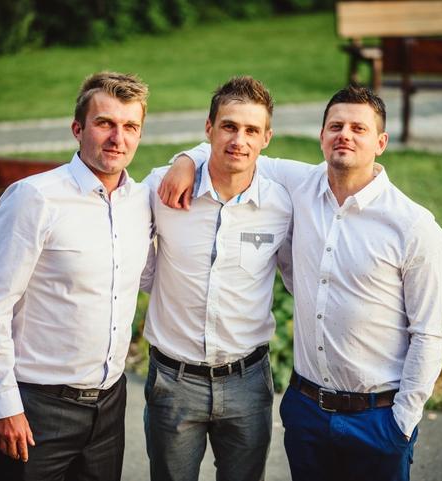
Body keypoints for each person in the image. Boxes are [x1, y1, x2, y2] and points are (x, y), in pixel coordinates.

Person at [160, 85, 442, 481]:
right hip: (307, 411)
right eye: (336, 126)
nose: (345, 135)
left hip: (377, 418)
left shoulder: (413, 226)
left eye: (359, 129)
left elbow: (428, 334)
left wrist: (403, 422)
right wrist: (186, 160)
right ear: (322, 135)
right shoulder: (300, 184)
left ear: (381, 143)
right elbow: (238, 149)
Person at [0, 71, 153, 481]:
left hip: (110, 408)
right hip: (38, 408)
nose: (118, 138)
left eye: (130, 127)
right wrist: (5, 407)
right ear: (77, 129)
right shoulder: (35, 199)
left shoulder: (141, 201)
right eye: (104, 123)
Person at [141, 76, 292, 481]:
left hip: (247, 381)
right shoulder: (161, 189)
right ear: (209, 129)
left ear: (267, 138)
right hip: (174, 381)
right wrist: (185, 160)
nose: (239, 140)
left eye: (251, 130)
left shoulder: (281, 205)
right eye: (228, 126)